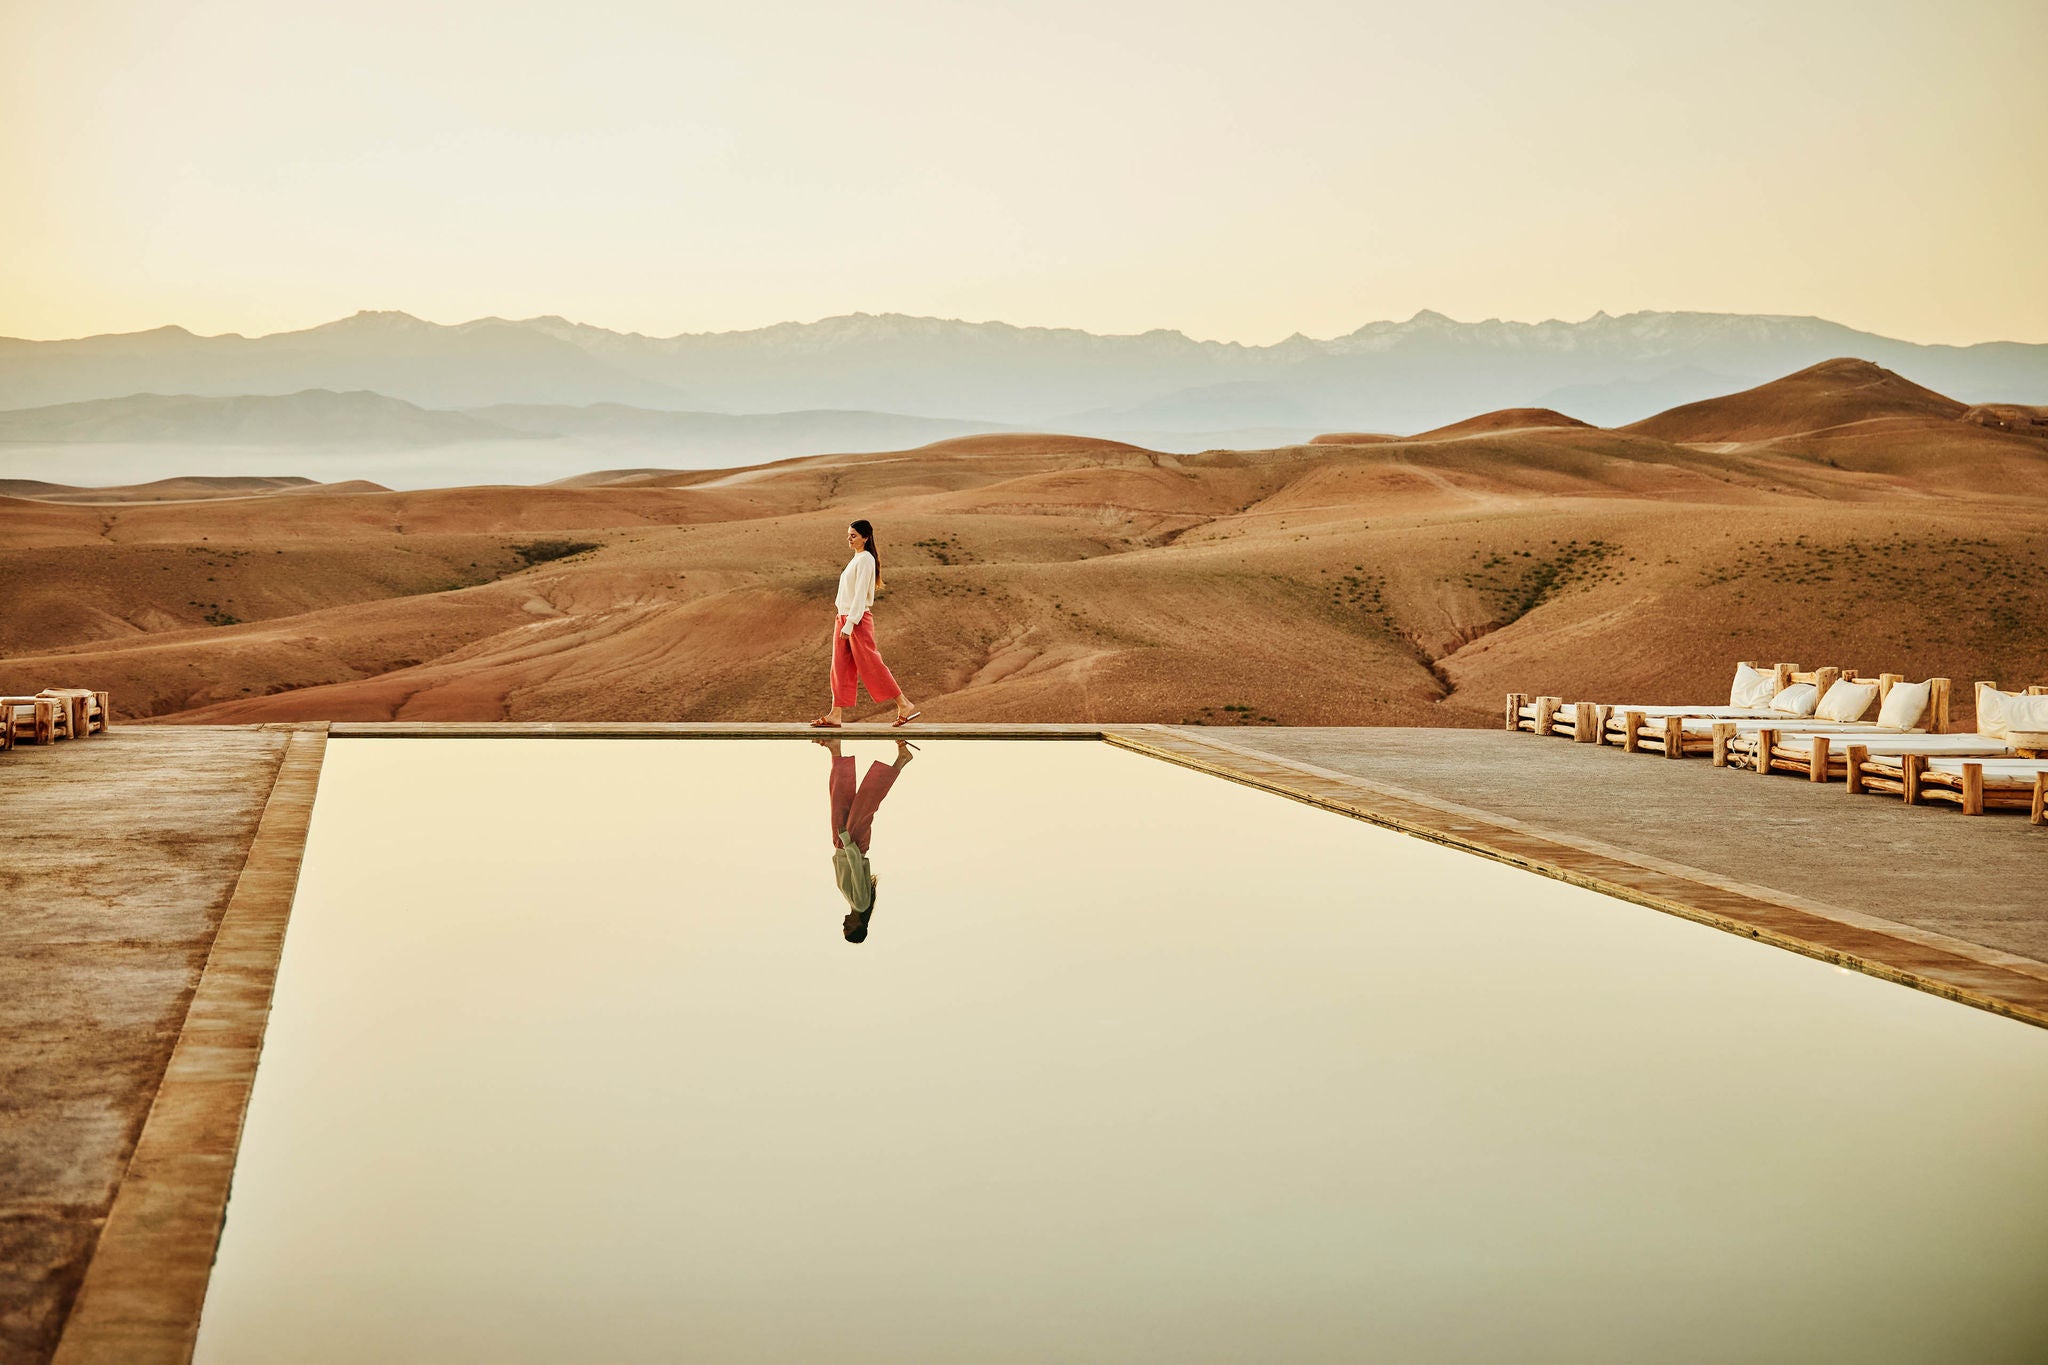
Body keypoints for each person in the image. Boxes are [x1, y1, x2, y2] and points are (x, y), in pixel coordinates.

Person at [811, 519, 920, 728]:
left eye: (853, 535)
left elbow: (860, 594)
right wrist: (844, 621)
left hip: (856, 619)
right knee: (839, 667)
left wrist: (850, 623)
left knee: (872, 664)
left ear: (865, 537)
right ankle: (835, 714)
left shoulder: (866, 559)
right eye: (849, 535)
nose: (849, 539)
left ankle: (904, 704)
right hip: (843, 618)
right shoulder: (857, 559)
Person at [816, 737, 915, 943]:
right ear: (859, 925)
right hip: (852, 843)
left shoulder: (853, 902)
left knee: (838, 797)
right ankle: (901, 760)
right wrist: (846, 839)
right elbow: (856, 867)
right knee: (868, 799)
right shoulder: (860, 903)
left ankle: (835, 749)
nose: (844, 925)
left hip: (843, 843)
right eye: (848, 929)